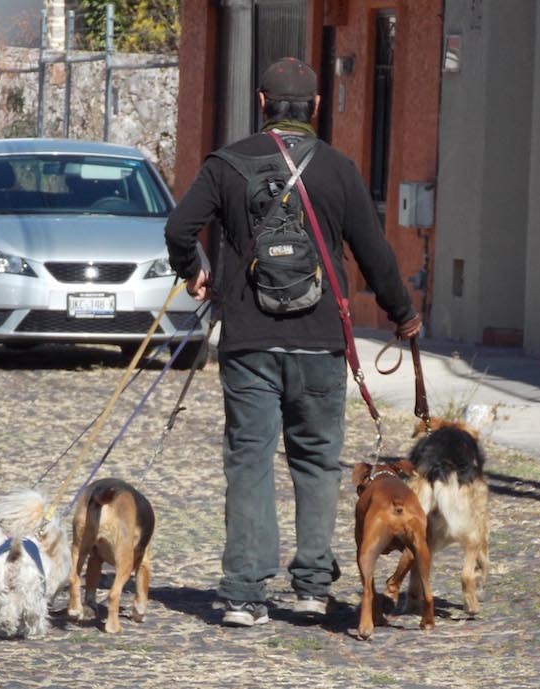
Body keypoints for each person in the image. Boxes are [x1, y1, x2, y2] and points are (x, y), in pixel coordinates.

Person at [164, 57, 422, 627]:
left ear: (261, 103)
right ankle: (310, 586)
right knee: (316, 463)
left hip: (249, 342)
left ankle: (242, 594)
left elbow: (180, 229)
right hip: (319, 342)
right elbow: (375, 252)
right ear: (316, 108)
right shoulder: (337, 169)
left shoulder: (225, 164)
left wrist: (194, 267)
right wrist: (402, 313)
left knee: (250, 462)